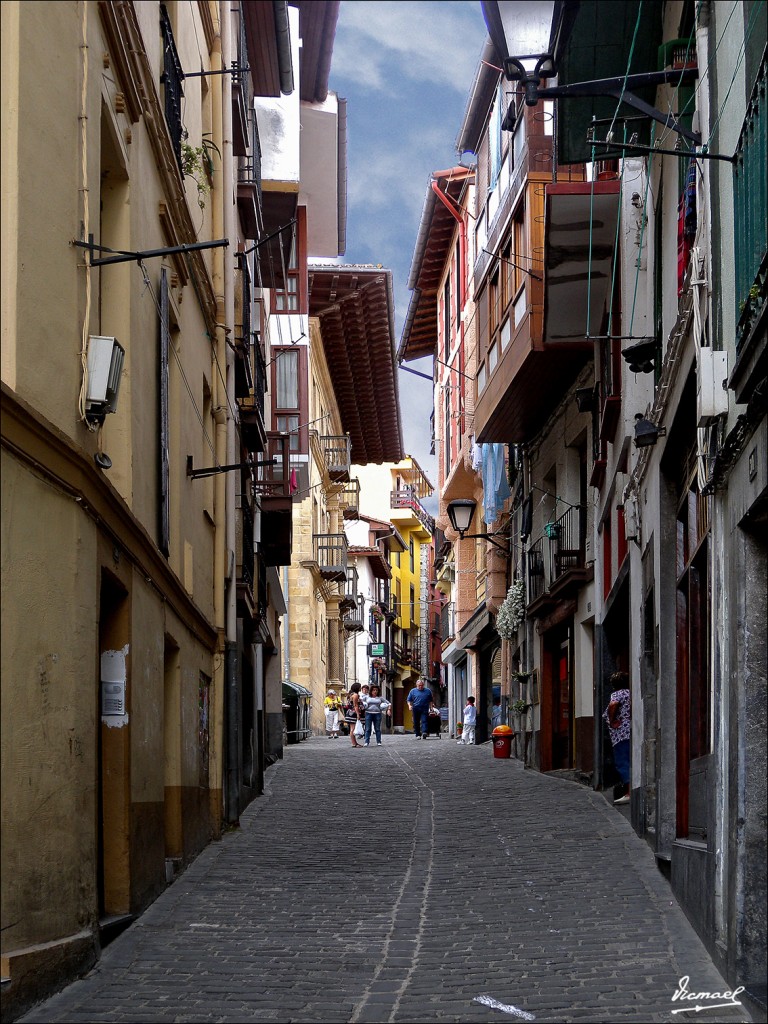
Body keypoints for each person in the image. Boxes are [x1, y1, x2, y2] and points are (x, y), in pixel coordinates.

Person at [602, 671, 631, 804]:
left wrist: (612, 719)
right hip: (629, 730)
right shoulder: (630, 693)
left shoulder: (617, 694)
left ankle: (629, 792)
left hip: (620, 733)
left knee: (622, 761)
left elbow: (614, 704)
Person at [344, 681, 365, 748]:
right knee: (353, 728)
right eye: (359, 687)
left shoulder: (351, 695)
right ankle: (353, 743)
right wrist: (358, 714)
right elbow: (355, 705)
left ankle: (355, 742)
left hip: (350, 713)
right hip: (353, 713)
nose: (360, 688)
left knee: (352, 728)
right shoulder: (355, 695)